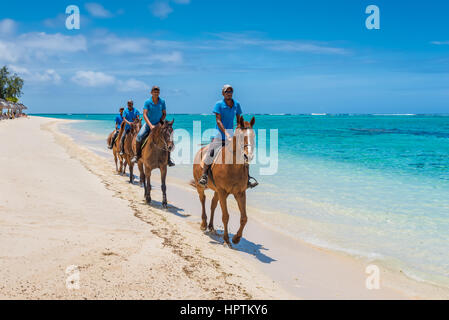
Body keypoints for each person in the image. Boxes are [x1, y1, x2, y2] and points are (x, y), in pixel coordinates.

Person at [198, 84, 258, 188]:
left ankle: (247, 178)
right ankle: (204, 176)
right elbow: (218, 120)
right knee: (211, 152)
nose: (229, 93)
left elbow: (239, 120)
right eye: (227, 92)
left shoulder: (236, 104)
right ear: (223, 93)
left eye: (230, 92)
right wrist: (226, 133)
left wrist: (240, 130)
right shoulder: (219, 105)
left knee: (244, 154)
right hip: (218, 134)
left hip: (232, 135)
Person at [132, 86, 175, 166]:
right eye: (154, 92)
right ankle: (137, 156)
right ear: (151, 93)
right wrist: (151, 125)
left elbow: (164, 113)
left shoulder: (162, 102)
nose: (156, 93)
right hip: (149, 124)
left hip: (159, 124)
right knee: (139, 137)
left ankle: (168, 159)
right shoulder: (147, 102)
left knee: (167, 137)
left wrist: (160, 123)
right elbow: (144, 114)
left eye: (157, 92)